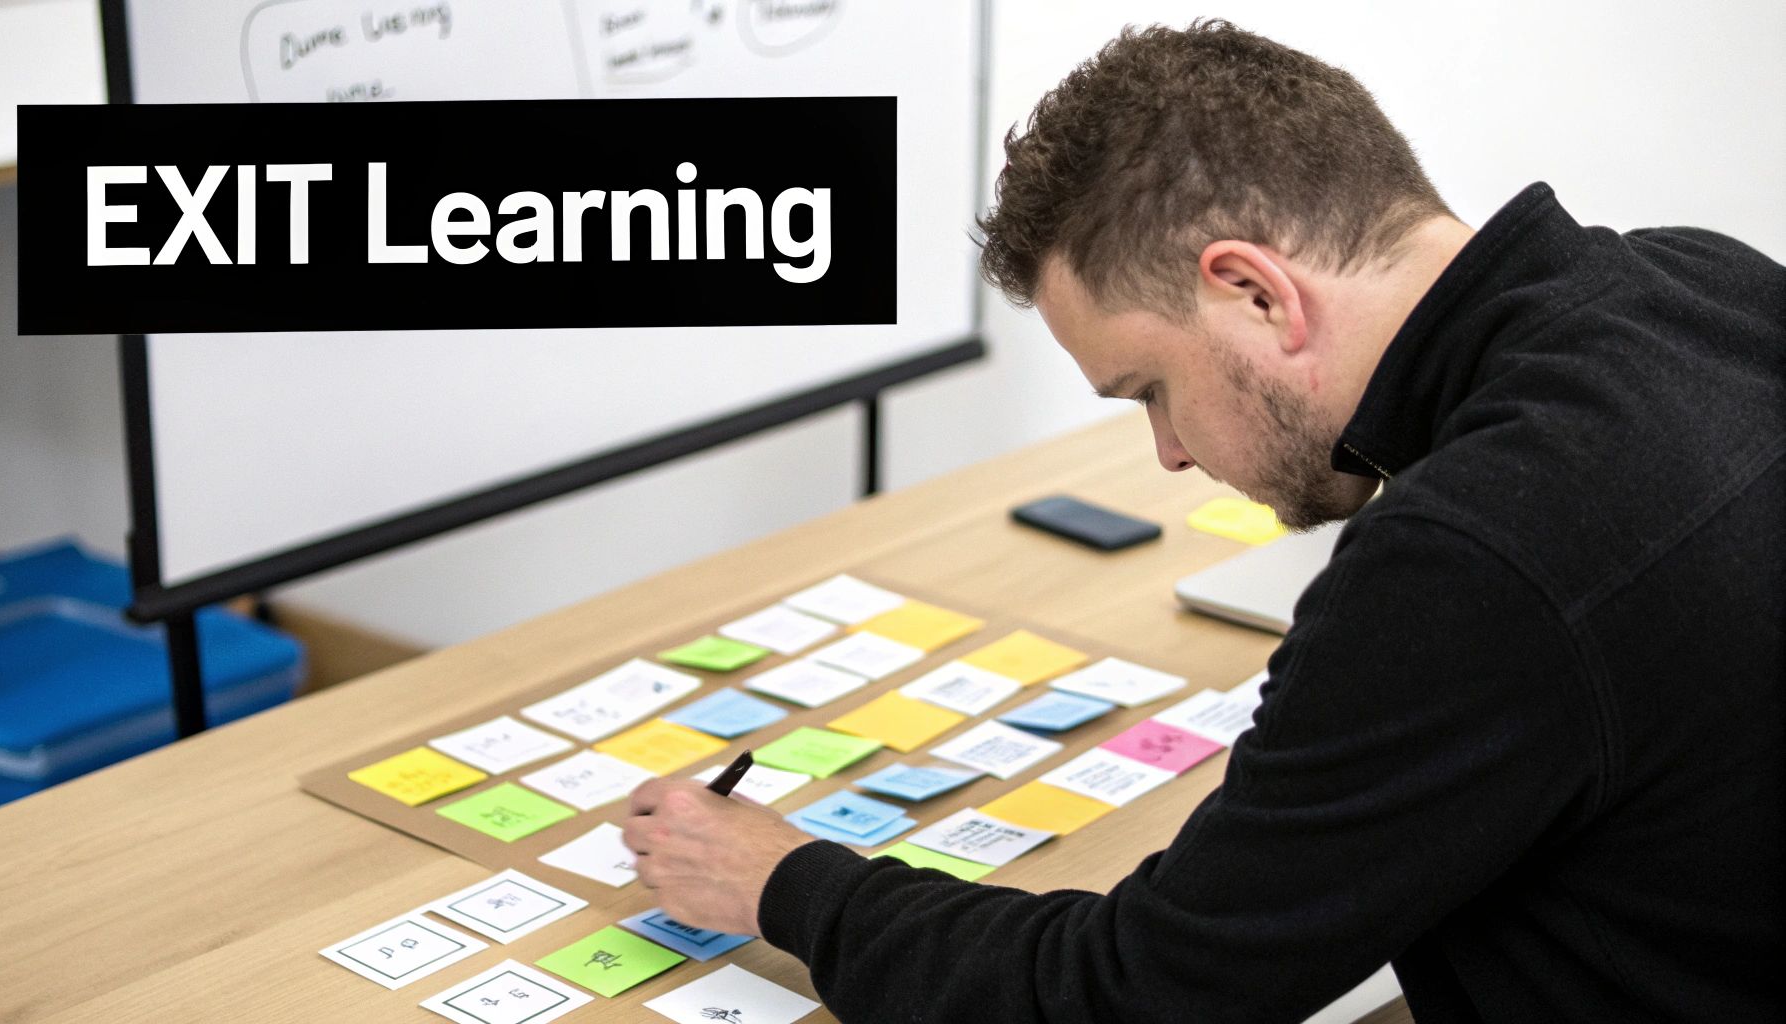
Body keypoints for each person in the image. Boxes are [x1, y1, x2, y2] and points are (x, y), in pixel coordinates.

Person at [623, 20, 1784, 1022]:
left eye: (1148, 389)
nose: (1168, 451)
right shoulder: (1698, 282)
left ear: (1255, 291)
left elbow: (1131, 994)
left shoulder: (1469, 557)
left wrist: (787, 883)